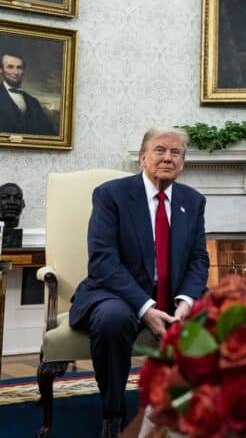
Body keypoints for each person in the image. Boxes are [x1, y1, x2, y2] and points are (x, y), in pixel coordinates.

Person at [69, 127, 209, 438]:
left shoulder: (193, 201)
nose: (168, 158)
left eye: (176, 153)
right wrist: (145, 307)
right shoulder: (111, 195)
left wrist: (186, 301)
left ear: (183, 163)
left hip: (173, 294)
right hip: (117, 292)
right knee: (112, 319)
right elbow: (103, 260)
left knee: (221, 314)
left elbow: (199, 259)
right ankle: (113, 412)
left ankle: (198, 409)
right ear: (143, 157)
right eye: (160, 150)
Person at [0, 51, 56, 135]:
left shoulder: (33, 102)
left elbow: (47, 134)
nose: (16, 72)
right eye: (10, 67)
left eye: (19, 67)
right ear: (1, 70)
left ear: (23, 71)